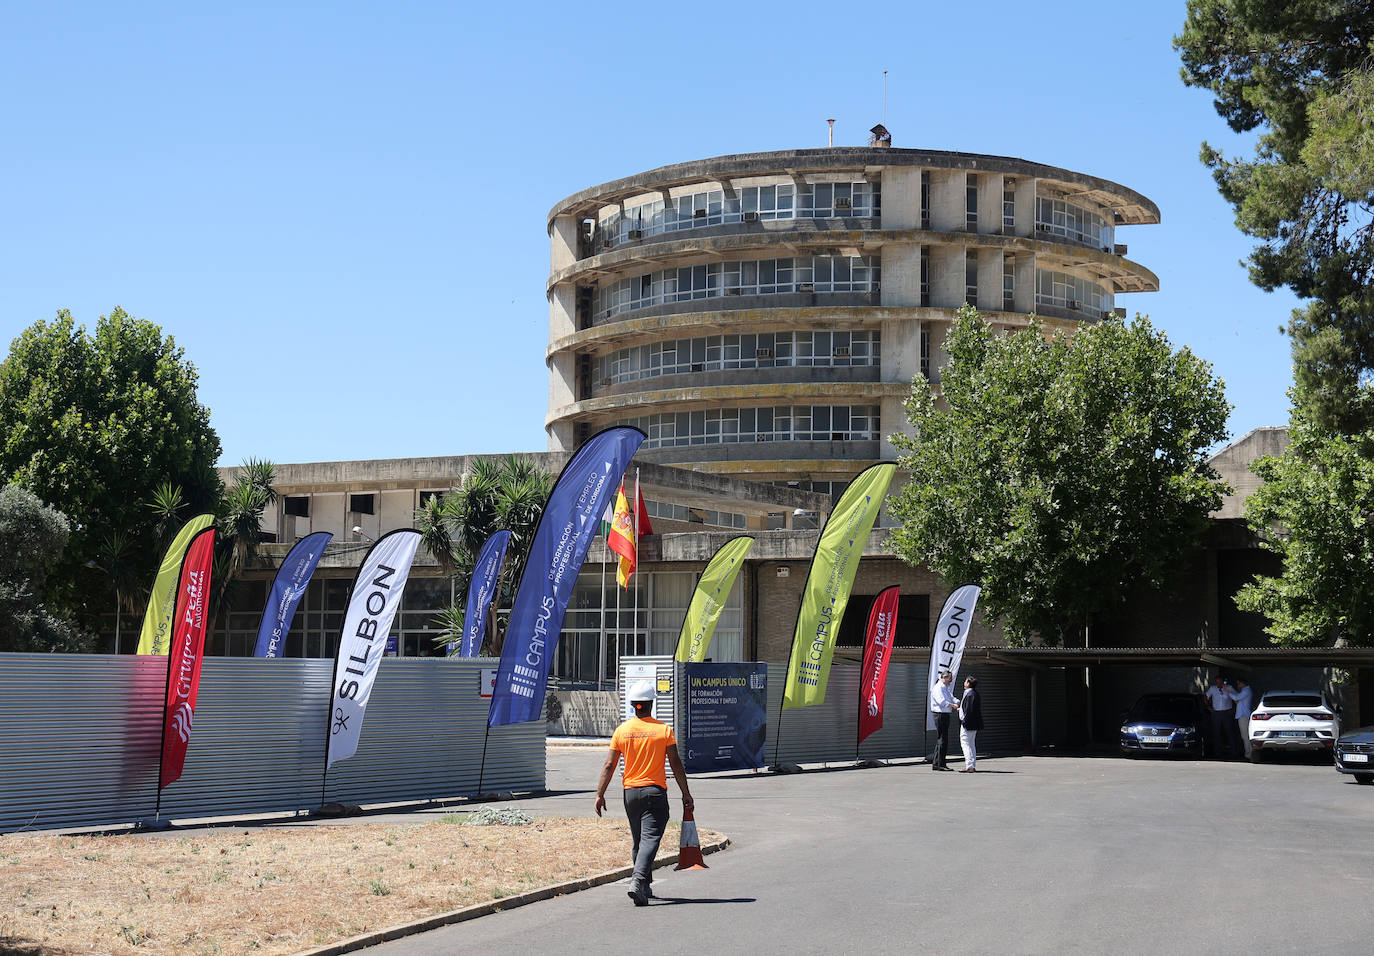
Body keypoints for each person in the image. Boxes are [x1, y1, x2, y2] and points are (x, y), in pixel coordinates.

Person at [595, 679, 695, 906]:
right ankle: (638, 881)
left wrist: (600, 794)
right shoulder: (663, 731)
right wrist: (685, 793)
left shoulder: (622, 731)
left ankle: (645, 886)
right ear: (651, 704)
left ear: (633, 704)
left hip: (630, 794)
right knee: (650, 839)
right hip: (654, 792)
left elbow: (609, 766)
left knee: (639, 841)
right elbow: (676, 763)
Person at [930, 670, 958, 771]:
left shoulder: (945, 688)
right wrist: (953, 706)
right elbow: (941, 701)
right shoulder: (938, 688)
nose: (951, 681)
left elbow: (951, 697)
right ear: (945, 677)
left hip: (945, 714)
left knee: (942, 739)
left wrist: (958, 702)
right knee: (942, 739)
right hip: (940, 714)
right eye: (950, 678)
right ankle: (940, 764)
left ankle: (937, 763)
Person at [1205, 675, 1237, 758]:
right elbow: (1205, 696)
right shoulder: (1213, 688)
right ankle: (1217, 753)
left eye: (1219, 682)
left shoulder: (1229, 687)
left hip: (1227, 713)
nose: (1218, 684)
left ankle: (1233, 752)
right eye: (1217, 682)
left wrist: (1233, 708)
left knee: (1229, 732)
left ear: (1223, 681)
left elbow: (1237, 698)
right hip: (1216, 713)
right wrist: (1209, 707)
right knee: (1216, 733)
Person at [957, 676, 984, 772]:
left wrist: (964, 722)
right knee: (971, 744)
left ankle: (969, 765)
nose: (964, 683)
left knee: (965, 744)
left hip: (968, 723)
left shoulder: (970, 694)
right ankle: (972, 765)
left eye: (965, 681)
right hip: (973, 723)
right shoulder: (973, 693)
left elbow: (969, 710)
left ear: (968, 683)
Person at [1228, 676, 1254, 759]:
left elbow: (1236, 698)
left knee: (1245, 736)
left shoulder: (1246, 691)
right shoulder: (1244, 691)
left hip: (1244, 716)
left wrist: (1228, 691)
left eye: (1238, 684)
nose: (1238, 685)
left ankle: (1249, 754)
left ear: (1242, 684)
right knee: (1245, 736)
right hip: (1242, 715)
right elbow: (1237, 700)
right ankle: (1249, 753)